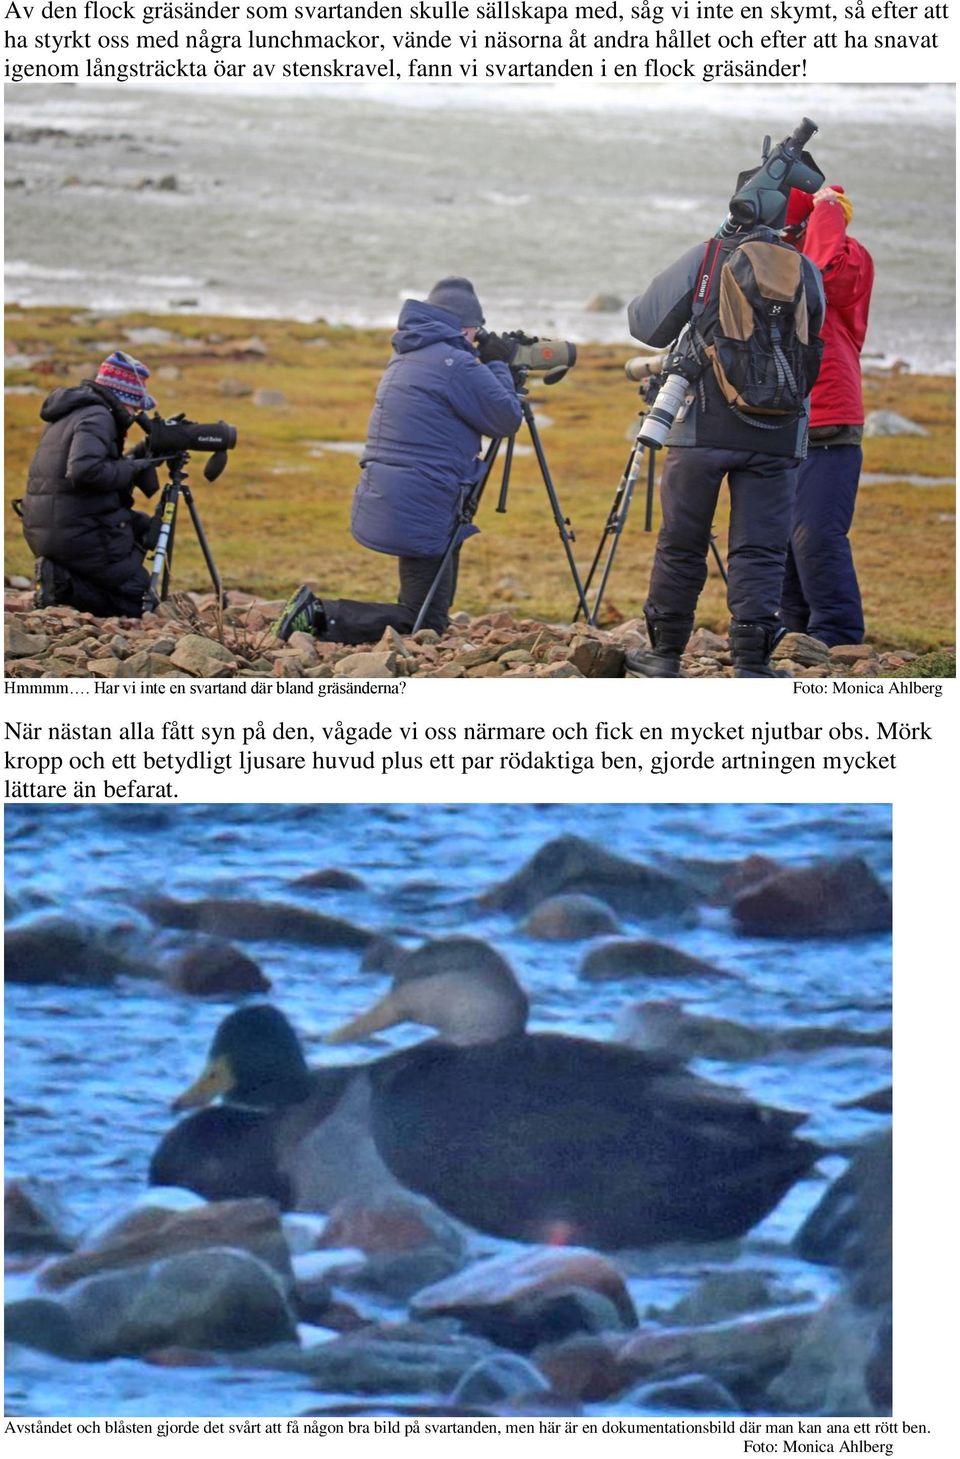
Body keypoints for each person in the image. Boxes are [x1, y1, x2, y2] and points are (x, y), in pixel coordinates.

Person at [623, 221, 825, 678]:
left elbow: (645, 323)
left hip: (701, 428)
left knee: (682, 542)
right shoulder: (806, 269)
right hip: (778, 428)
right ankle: (752, 663)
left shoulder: (710, 256)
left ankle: (665, 654)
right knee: (762, 548)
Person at [275, 277, 522, 645]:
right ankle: (318, 614)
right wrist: (499, 364)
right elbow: (506, 418)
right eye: (477, 332)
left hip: (402, 492)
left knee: (428, 611)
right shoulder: (454, 362)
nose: (477, 340)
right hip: (424, 497)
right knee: (425, 622)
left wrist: (485, 364)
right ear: (466, 327)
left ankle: (332, 614)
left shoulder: (410, 354)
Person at [780, 185, 875, 646]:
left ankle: (839, 643)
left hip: (831, 422)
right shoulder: (780, 261)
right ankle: (794, 639)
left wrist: (827, 211)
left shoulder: (850, 259)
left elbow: (824, 272)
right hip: (781, 421)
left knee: (816, 536)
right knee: (781, 543)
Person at [20, 350, 163, 618]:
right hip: (76, 531)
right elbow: (85, 471)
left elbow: (89, 466)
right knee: (139, 600)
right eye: (136, 407)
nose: (135, 416)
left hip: (51, 525)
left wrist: (138, 455)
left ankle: (70, 577)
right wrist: (132, 468)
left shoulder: (75, 411)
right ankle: (62, 583)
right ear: (124, 399)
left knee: (141, 525)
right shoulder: (99, 416)